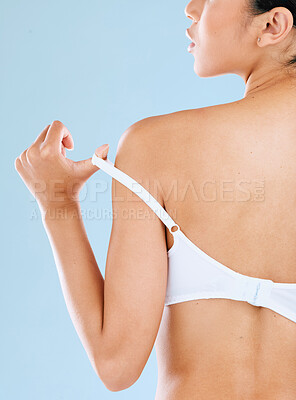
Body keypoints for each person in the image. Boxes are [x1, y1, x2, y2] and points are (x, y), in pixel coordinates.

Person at [15, 0, 296, 398]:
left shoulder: (155, 146)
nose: (191, 8)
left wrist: (57, 203)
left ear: (273, 24)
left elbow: (116, 366)